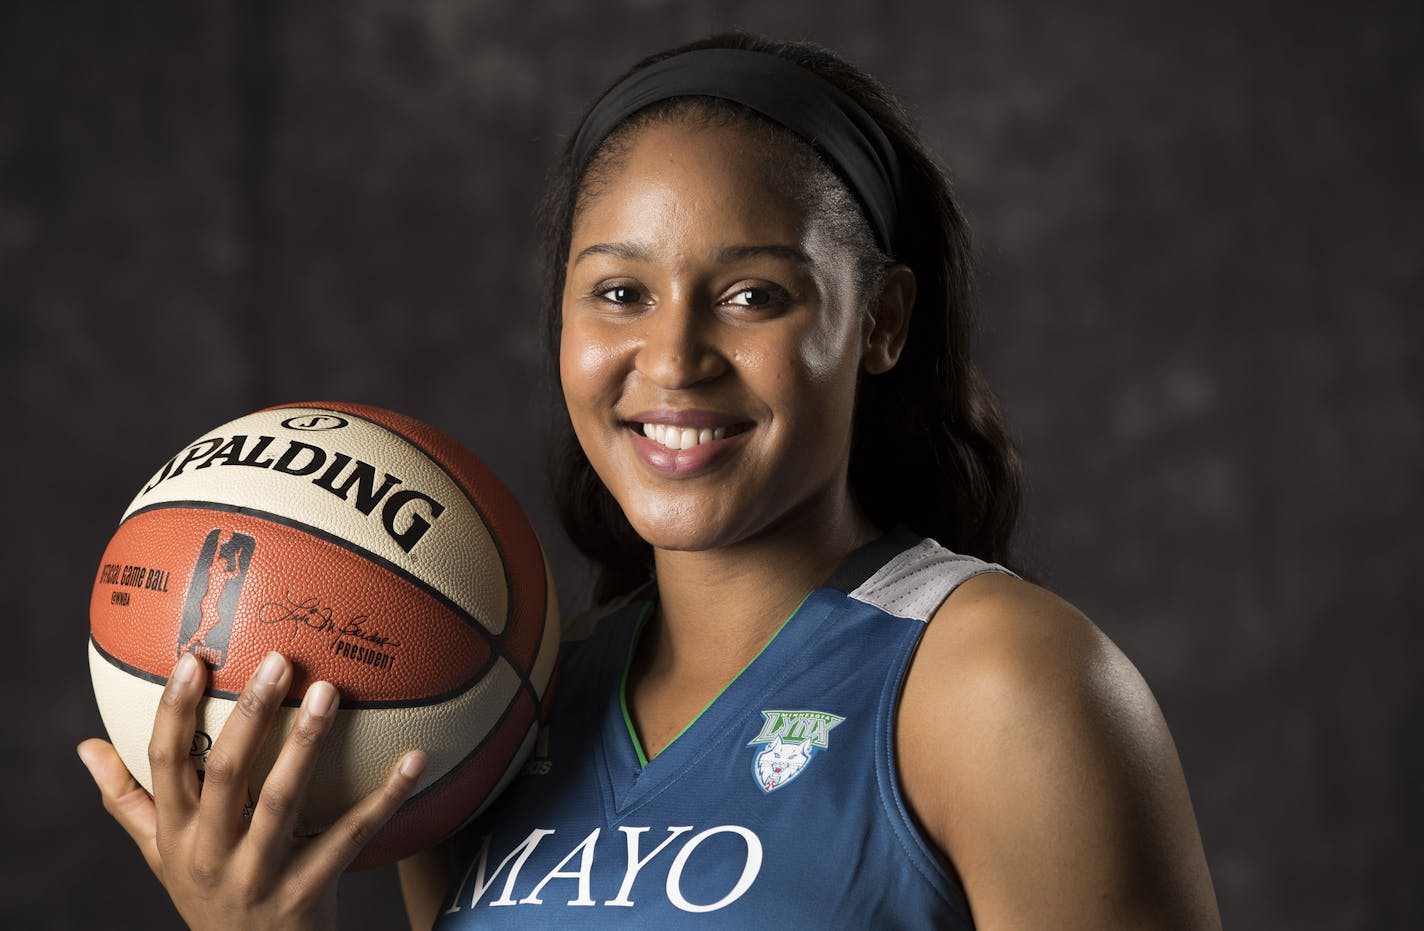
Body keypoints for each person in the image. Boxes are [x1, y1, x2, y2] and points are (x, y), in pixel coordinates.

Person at [79, 31, 1222, 929]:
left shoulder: (998, 682)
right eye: (619, 293)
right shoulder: (485, 712)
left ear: (879, 322)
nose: (672, 362)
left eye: (752, 294)